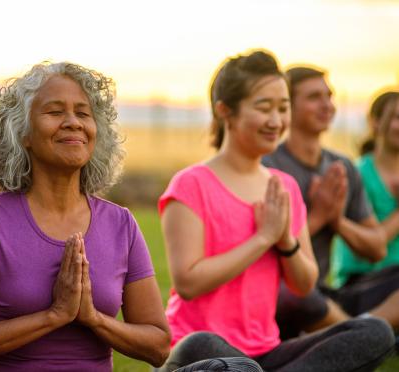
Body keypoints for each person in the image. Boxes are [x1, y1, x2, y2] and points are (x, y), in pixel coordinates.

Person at [157, 50, 395, 372]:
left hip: (267, 352)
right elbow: (189, 282)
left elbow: (304, 282)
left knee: (374, 332)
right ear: (225, 110)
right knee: (204, 344)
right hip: (202, 352)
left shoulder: (283, 187)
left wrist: (286, 242)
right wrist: (263, 237)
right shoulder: (191, 184)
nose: (276, 121)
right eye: (263, 107)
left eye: (283, 108)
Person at [0, 62, 171, 371]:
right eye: (55, 112)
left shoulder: (121, 224)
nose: (73, 122)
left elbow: (159, 346)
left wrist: (93, 319)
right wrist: (54, 315)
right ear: (23, 132)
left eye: (83, 113)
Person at [262, 67, 397, 338]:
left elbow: (377, 249)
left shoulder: (342, 167)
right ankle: (363, 335)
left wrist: (338, 222)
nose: (327, 105)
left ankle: (357, 331)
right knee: (295, 296)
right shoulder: (267, 165)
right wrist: (319, 216)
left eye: (329, 96)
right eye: (314, 97)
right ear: (287, 105)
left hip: (326, 295)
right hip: (285, 294)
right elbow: (263, 252)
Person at [330, 90, 399, 329]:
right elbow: (368, 247)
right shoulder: (357, 174)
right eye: (396, 117)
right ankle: (358, 329)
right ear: (375, 122)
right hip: (362, 280)